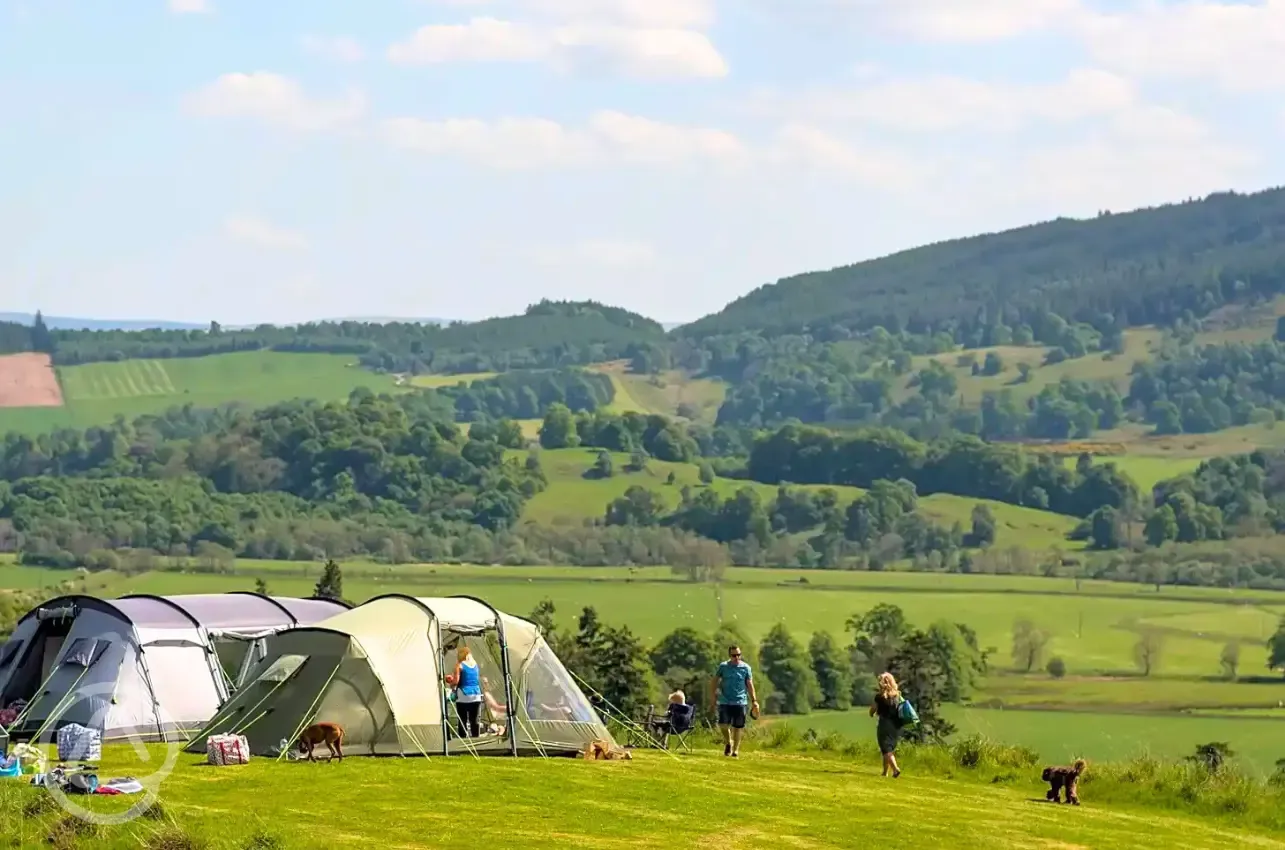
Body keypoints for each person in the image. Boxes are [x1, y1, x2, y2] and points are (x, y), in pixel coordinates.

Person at [710, 645, 758, 758]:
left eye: (738, 655)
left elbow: (750, 685)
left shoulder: (746, 668)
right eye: (734, 655)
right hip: (725, 700)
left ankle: (735, 751)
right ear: (729, 656)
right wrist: (713, 696)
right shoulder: (723, 667)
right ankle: (728, 742)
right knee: (723, 725)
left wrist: (754, 701)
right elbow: (714, 681)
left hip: (740, 701)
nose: (737, 657)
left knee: (738, 727)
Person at [869, 672, 903, 778]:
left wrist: (873, 711)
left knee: (886, 748)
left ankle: (895, 769)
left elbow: (872, 711)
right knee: (888, 748)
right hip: (896, 725)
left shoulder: (879, 697)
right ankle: (885, 772)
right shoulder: (897, 695)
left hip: (884, 724)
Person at [448, 645, 483, 738]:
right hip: (476, 695)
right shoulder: (475, 664)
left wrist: (450, 683)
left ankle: (463, 740)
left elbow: (456, 681)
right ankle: (476, 739)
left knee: (462, 720)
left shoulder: (459, 665)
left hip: (463, 695)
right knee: (474, 720)